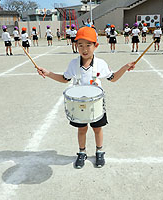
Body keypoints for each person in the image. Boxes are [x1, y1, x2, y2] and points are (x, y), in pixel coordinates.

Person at [36, 26, 136, 169]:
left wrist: (124, 68)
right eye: (80, 45)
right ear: (76, 46)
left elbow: (112, 78)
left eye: (88, 45)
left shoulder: (101, 63)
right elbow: (64, 79)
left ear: (95, 46)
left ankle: (99, 151)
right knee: (82, 129)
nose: (84, 49)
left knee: (97, 129)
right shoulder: (73, 64)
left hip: (96, 103)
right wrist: (48, 73)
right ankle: (82, 152)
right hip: (79, 105)